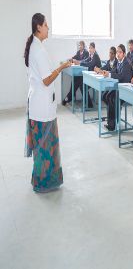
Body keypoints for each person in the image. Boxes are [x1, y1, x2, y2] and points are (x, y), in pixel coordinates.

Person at [24, 13, 71, 193]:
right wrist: (61, 67)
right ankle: (43, 183)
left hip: (39, 102)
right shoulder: (38, 50)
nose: (48, 28)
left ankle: (43, 181)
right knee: (44, 147)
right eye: (46, 25)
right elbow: (46, 80)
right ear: (38, 27)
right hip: (41, 105)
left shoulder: (36, 47)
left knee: (43, 146)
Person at [101, 44, 133, 131]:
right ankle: (114, 117)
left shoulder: (126, 63)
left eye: (120, 52)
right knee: (105, 96)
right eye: (117, 52)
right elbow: (114, 71)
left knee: (111, 98)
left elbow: (121, 76)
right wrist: (105, 72)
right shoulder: (118, 62)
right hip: (119, 87)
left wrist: (110, 74)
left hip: (126, 90)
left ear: (124, 54)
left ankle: (112, 124)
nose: (118, 54)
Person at [62, 42, 101, 108]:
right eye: (89, 48)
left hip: (96, 77)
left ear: (94, 49)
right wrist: (79, 62)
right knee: (76, 80)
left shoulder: (95, 56)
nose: (90, 49)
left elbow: (90, 64)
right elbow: (85, 61)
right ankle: (72, 97)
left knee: (81, 84)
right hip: (90, 75)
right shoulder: (90, 55)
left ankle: (71, 97)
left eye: (91, 48)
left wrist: (79, 63)